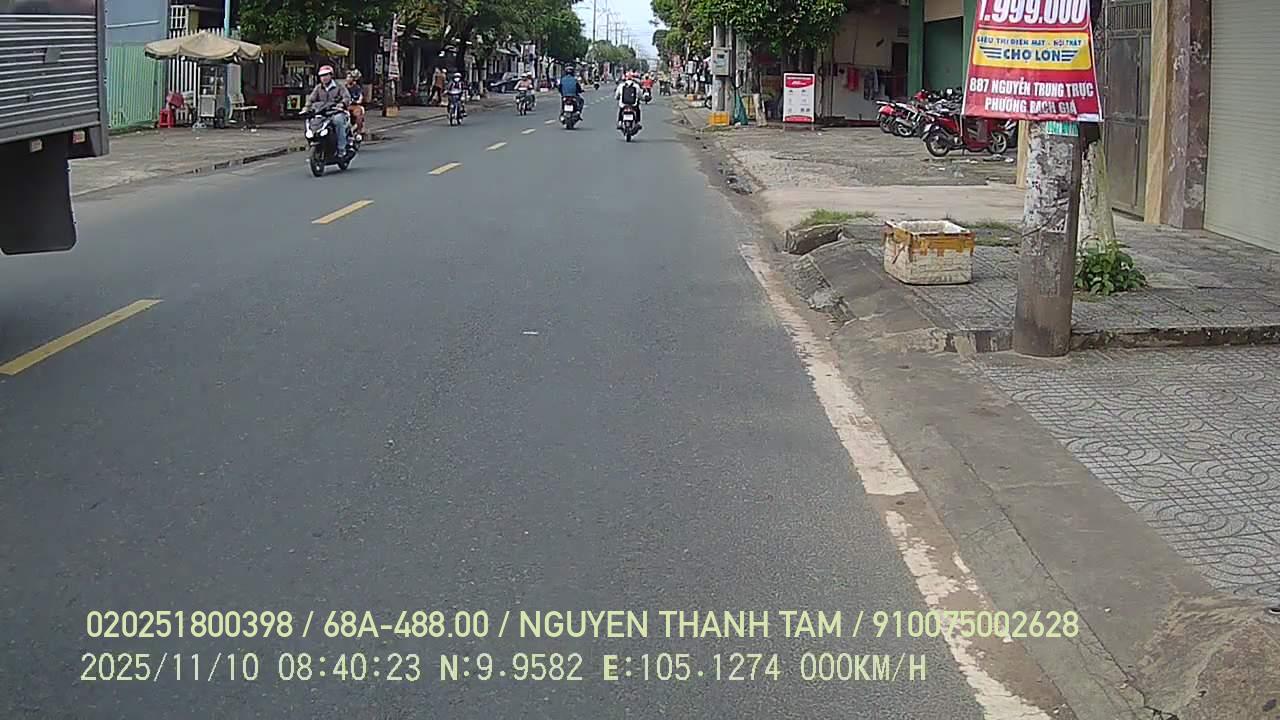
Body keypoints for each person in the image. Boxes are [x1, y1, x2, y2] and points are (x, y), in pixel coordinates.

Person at [306, 65, 351, 156]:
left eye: (326, 75)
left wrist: (342, 104)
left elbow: (347, 97)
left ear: (331, 75)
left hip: (335, 112)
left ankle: (341, 148)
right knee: (310, 122)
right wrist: (306, 107)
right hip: (322, 113)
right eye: (322, 76)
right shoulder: (318, 88)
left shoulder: (339, 87)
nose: (324, 78)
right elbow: (311, 99)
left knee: (338, 121)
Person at [345, 69, 365, 136]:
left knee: (358, 113)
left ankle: (358, 130)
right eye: (347, 77)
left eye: (350, 77)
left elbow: (360, 97)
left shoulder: (357, 88)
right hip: (345, 106)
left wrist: (356, 101)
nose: (348, 79)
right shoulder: (343, 88)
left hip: (354, 105)